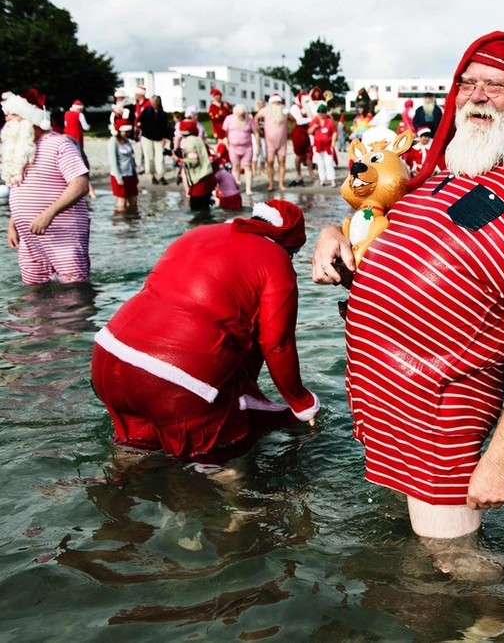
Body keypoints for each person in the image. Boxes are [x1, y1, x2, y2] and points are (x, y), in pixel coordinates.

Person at [311, 31, 504, 542]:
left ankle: (490, 625)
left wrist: (499, 459)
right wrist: (331, 234)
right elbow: (374, 222)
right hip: (384, 399)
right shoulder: (440, 174)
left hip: (441, 414)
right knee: (412, 562)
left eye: (495, 86)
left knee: (453, 571)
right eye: (468, 84)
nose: (477, 96)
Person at [91, 199, 319, 462]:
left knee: (133, 458)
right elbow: (277, 343)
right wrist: (301, 402)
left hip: (109, 354)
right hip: (177, 378)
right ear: (289, 244)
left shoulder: (198, 233)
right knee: (221, 467)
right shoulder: (276, 258)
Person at [2, 89, 91, 285]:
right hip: (29, 238)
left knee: (73, 290)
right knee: (34, 290)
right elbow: (19, 188)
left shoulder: (60, 144)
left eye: (14, 115)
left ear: (30, 118)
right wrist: (13, 224)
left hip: (63, 234)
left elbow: (80, 185)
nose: (8, 120)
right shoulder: (21, 150)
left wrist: (48, 214)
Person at [177, 119, 216, 210]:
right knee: (205, 207)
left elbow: (193, 160)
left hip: (199, 180)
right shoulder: (198, 139)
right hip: (207, 176)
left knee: (196, 208)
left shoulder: (190, 141)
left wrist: (180, 160)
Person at [222, 103, 258, 197]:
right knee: (235, 167)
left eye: (243, 114)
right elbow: (224, 133)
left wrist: (257, 146)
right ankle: (235, 188)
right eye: (239, 115)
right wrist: (226, 143)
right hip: (233, 148)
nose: (241, 116)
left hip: (247, 147)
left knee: (247, 167)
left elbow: (256, 133)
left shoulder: (249, 120)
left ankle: (248, 189)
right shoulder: (229, 119)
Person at [258, 94, 290, 192]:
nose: (276, 104)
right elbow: (256, 118)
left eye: (278, 102)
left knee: (281, 161)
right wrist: (258, 130)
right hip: (270, 141)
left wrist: (291, 131)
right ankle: (271, 184)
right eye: (275, 102)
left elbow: (294, 120)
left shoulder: (285, 110)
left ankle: (281, 184)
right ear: (271, 103)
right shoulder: (266, 110)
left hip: (282, 141)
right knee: (270, 161)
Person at [137, 95, 171, 185]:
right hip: (147, 137)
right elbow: (139, 121)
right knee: (149, 156)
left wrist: (164, 137)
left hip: (159, 137)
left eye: (154, 102)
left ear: (158, 103)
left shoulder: (163, 114)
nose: (153, 104)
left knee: (160, 157)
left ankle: (161, 175)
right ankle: (152, 176)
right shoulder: (147, 111)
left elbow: (165, 127)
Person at [108, 118, 139, 214]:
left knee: (133, 199)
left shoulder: (127, 141)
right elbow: (113, 161)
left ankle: (133, 220)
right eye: (125, 131)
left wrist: (135, 174)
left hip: (130, 174)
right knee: (122, 201)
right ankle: (121, 222)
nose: (127, 133)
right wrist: (118, 177)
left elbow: (131, 159)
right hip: (120, 175)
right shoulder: (113, 141)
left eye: (128, 131)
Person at [308, 103, 337, 186]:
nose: (321, 114)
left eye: (323, 112)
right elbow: (309, 132)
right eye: (319, 112)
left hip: (327, 145)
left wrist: (333, 143)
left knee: (329, 162)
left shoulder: (330, 121)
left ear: (325, 112)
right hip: (318, 145)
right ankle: (322, 179)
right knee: (320, 163)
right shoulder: (314, 121)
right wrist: (314, 127)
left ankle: (332, 179)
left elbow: (334, 132)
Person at [288, 92, 313, 186]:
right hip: (298, 133)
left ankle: (311, 173)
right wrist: (311, 119)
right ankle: (298, 174)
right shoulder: (295, 108)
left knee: (308, 153)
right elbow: (299, 120)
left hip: (306, 133)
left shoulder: (307, 108)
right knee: (298, 155)